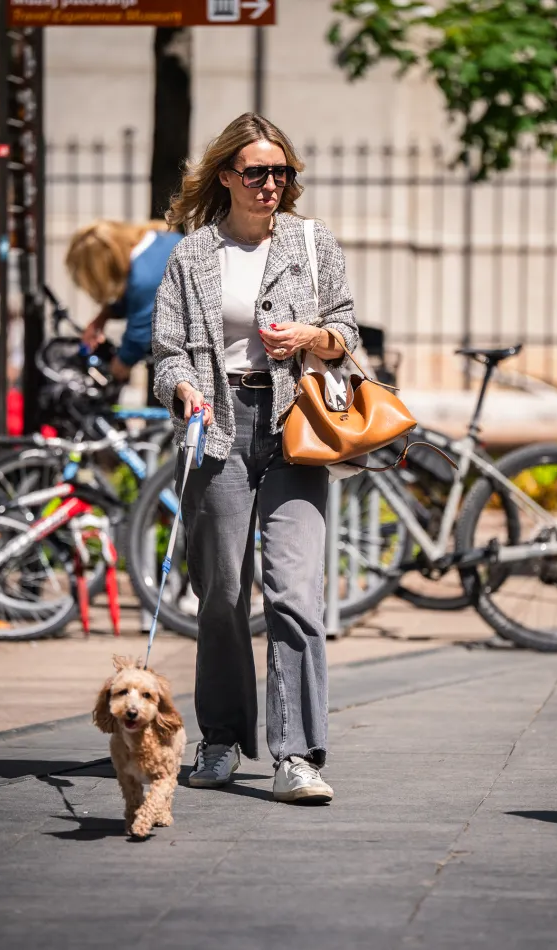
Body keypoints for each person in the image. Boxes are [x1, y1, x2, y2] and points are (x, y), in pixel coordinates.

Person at [152, 113, 359, 804]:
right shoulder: (192, 256)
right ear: (226, 177)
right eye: (257, 172)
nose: (271, 184)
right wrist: (183, 388)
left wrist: (311, 336)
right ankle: (219, 738)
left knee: (296, 593)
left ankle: (297, 754)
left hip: (296, 426)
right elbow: (168, 351)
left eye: (281, 172)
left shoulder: (311, 242)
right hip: (220, 429)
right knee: (221, 595)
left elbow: (346, 328)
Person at [65, 220, 182, 384]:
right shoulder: (157, 239)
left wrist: (119, 365)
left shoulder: (143, 280)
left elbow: (139, 334)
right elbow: (137, 301)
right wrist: (102, 317)